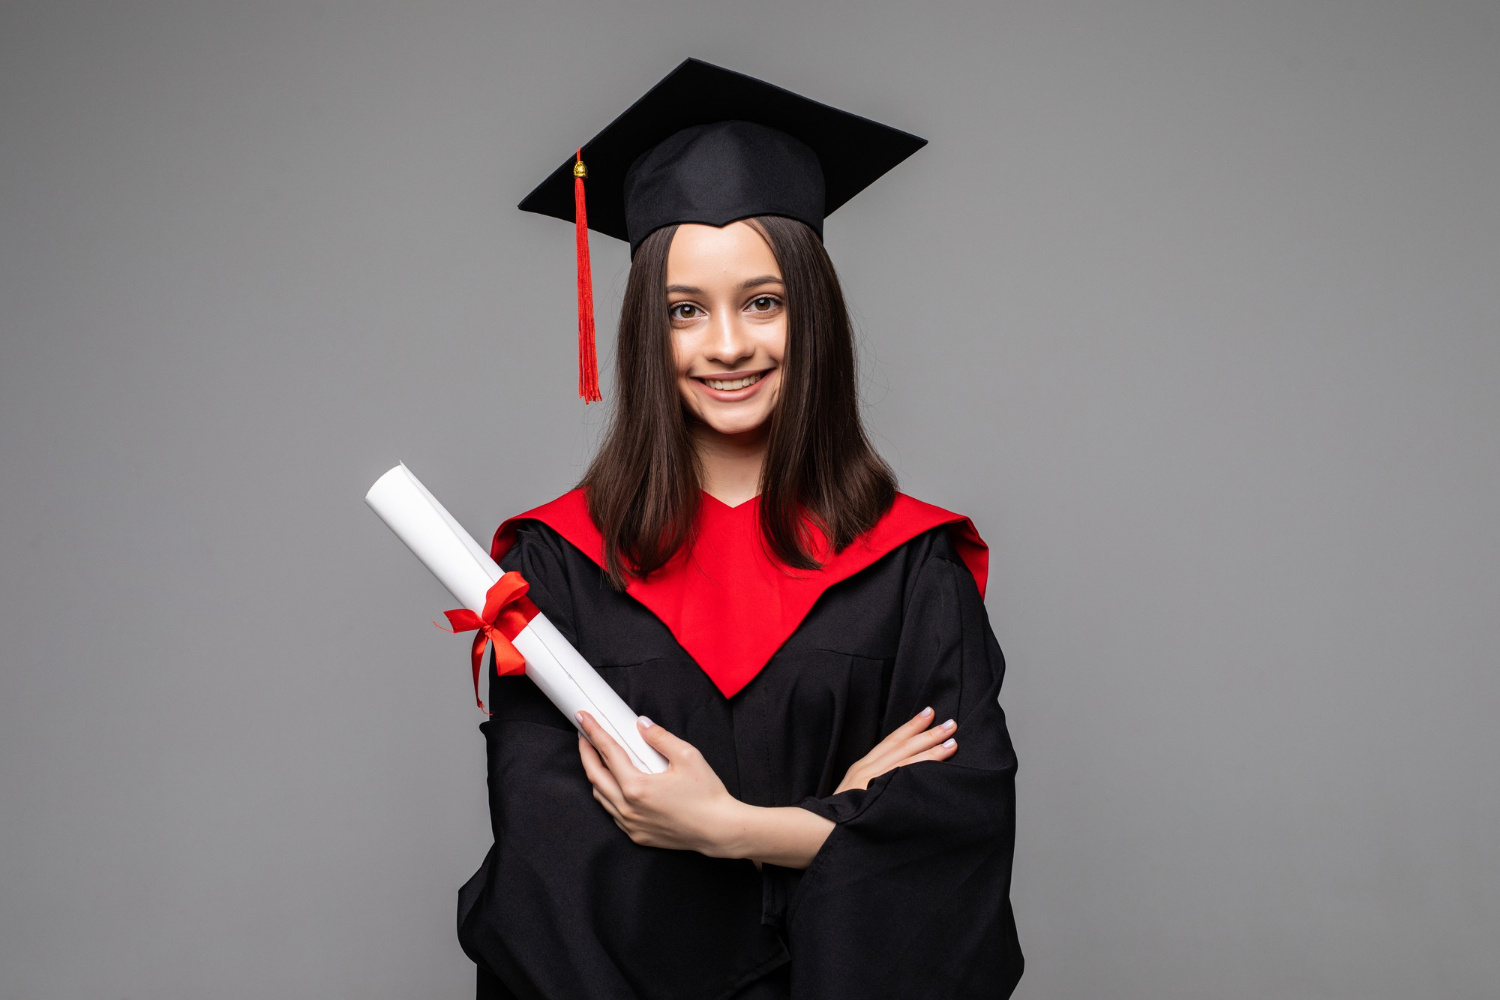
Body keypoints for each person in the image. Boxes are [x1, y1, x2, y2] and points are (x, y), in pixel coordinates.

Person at [456, 58, 1023, 999]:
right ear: (646, 328)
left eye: (763, 301)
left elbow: (956, 829)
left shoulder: (914, 566)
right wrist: (836, 819)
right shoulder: (553, 570)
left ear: (814, 316)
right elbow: (551, 877)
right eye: (685, 311)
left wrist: (726, 829)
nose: (727, 345)